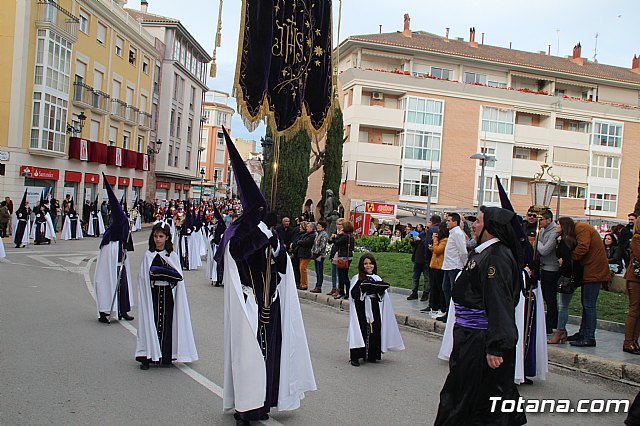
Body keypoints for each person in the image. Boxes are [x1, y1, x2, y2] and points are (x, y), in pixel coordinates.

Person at [217, 129, 315, 425]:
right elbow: (235, 253)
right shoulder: (240, 230)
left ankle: (263, 403)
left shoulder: (265, 230)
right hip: (249, 303)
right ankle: (244, 407)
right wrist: (263, 233)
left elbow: (281, 264)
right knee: (249, 356)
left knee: (269, 354)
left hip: (270, 302)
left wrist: (276, 245)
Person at [435, 207, 526, 426]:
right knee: (465, 392)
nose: (473, 225)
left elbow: (499, 302)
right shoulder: (483, 252)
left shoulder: (496, 257)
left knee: (477, 398)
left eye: (479, 221)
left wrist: (496, 346)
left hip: (480, 339)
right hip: (468, 336)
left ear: (491, 227)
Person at [135, 221, 198, 369]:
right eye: (156, 236)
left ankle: (165, 354)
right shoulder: (148, 255)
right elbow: (143, 277)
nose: (158, 239)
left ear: (167, 238)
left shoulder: (172, 256)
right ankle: (148, 355)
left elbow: (178, 277)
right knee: (152, 321)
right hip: (153, 293)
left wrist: (168, 276)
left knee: (167, 323)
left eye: (161, 236)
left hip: (168, 293)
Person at [348, 253, 404, 366]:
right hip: (361, 308)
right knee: (361, 330)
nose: (368, 266)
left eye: (371, 263)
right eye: (365, 264)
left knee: (375, 329)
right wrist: (363, 290)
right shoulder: (357, 278)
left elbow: (383, 296)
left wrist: (379, 290)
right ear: (361, 265)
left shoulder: (377, 278)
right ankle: (357, 356)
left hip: (374, 306)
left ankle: (372, 354)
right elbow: (353, 294)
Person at [93, 175, 134, 324]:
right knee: (107, 283)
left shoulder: (121, 233)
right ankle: (104, 311)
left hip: (119, 264)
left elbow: (127, 241)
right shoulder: (109, 240)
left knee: (123, 285)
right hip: (111, 266)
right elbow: (105, 262)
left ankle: (123, 310)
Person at [567, 219, 610, 347]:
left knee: (589, 305)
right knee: (586, 304)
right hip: (591, 271)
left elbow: (583, 247)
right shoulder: (581, 228)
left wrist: (570, 257)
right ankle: (583, 333)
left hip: (594, 272)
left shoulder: (581, 228)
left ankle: (589, 336)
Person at [548, 217, 583, 345]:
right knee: (562, 305)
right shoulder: (567, 240)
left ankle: (560, 331)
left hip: (566, 278)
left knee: (563, 306)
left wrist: (561, 263)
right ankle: (561, 331)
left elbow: (568, 262)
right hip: (568, 277)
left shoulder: (565, 242)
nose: (556, 226)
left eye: (558, 224)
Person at [439, 213, 468, 322]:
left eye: (449, 221)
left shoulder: (457, 234)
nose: (447, 222)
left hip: (455, 266)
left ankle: (453, 314)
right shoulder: (452, 233)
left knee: (452, 290)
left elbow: (463, 251)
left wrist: (464, 265)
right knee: (445, 288)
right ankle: (448, 311)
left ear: (455, 222)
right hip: (448, 265)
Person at [536, 209, 560, 335]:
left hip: (552, 268)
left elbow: (545, 250)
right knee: (546, 296)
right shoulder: (543, 230)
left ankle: (551, 323)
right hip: (544, 266)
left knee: (550, 297)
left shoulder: (554, 232)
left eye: (542, 220)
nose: (540, 223)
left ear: (549, 220)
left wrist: (536, 242)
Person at [422, 222, 448, 315]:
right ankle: (433, 306)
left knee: (438, 287)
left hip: (439, 267)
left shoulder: (445, 240)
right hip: (434, 265)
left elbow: (438, 250)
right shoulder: (440, 240)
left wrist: (435, 239)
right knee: (433, 287)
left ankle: (439, 307)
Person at [623, 219, 640, 355]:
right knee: (634, 309)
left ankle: (635, 340)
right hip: (635, 279)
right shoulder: (636, 238)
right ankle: (628, 342)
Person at [331, 220, 355, 299]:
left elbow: (337, 243)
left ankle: (343, 292)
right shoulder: (351, 235)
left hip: (343, 256)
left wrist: (336, 236)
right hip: (349, 256)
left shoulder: (344, 236)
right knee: (344, 275)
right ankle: (346, 292)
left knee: (342, 276)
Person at [407, 223, 429, 301]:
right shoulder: (422, 234)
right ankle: (414, 292)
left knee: (427, 278)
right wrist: (412, 241)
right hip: (417, 259)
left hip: (426, 260)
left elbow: (427, 245)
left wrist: (421, 240)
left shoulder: (431, 236)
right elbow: (415, 244)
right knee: (415, 277)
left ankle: (426, 293)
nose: (426, 228)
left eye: (428, 227)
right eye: (426, 227)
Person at [327, 218, 344, 297]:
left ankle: (338, 288)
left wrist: (336, 237)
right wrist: (332, 237)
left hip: (339, 254)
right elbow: (330, 241)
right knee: (333, 272)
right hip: (334, 253)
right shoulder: (336, 232)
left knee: (338, 273)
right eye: (337, 224)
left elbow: (338, 242)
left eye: (340, 224)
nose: (338, 226)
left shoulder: (343, 233)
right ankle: (333, 287)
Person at [296, 222, 316, 291]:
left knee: (303, 269)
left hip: (306, 254)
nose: (307, 228)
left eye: (308, 227)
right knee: (300, 269)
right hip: (302, 253)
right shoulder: (307, 234)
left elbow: (306, 243)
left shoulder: (312, 235)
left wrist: (299, 242)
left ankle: (304, 284)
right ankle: (302, 283)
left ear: (312, 228)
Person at [310, 219, 328, 293]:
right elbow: (315, 244)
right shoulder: (317, 234)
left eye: (319, 226)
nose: (318, 227)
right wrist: (312, 251)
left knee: (320, 271)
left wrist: (317, 252)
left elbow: (322, 245)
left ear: (323, 227)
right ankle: (317, 285)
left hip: (320, 255)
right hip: (315, 254)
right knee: (317, 271)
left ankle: (319, 286)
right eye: (317, 226)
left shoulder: (324, 234)